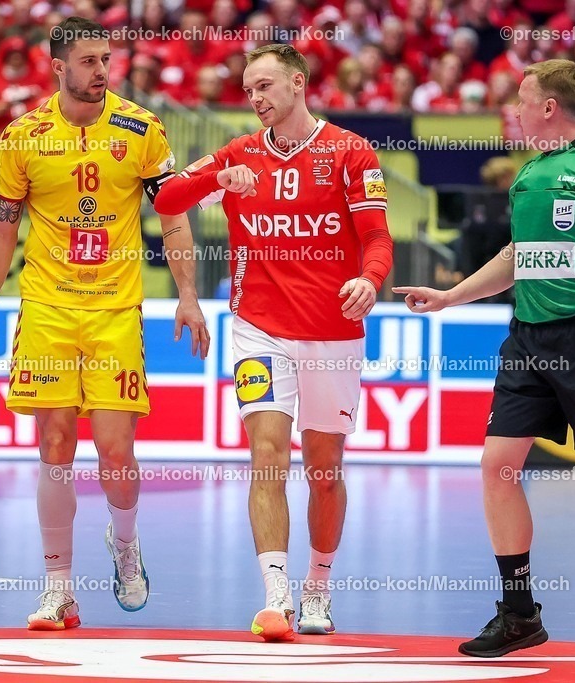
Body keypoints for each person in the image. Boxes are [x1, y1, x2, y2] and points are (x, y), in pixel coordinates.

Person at [393, 59, 575, 668]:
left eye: (521, 100)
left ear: (549, 106)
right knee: (497, 466)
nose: (512, 110)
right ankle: (520, 614)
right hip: (527, 337)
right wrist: (450, 296)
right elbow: (518, 255)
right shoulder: (529, 175)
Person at [0, 16, 210, 631]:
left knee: (116, 451)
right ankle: (59, 590)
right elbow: (1, 230)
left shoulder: (141, 129)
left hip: (114, 310)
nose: (103, 70)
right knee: (54, 445)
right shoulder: (24, 136)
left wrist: (187, 295)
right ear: (59, 67)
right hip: (46, 307)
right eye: (91, 61)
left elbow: (174, 215)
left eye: (108, 59)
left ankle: (124, 542)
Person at [154, 43, 394, 642]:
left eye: (264, 86)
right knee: (266, 453)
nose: (254, 98)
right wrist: (216, 175)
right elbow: (164, 200)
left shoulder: (350, 152)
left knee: (324, 470)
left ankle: (319, 586)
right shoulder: (238, 154)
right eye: (247, 89)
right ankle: (277, 598)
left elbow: (377, 237)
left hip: (332, 333)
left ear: (297, 83)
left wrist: (370, 279)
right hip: (257, 327)